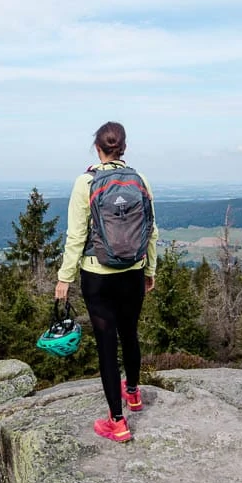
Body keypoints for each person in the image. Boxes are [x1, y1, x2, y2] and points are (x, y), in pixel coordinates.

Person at [56, 121, 158, 443]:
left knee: (106, 346)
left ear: (97, 148)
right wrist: (150, 270)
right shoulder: (140, 180)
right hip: (133, 273)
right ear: (123, 147)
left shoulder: (85, 182)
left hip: (97, 276)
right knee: (130, 334)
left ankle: (117, 422)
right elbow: (152, 230)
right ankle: (134, 394)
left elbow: (76, 236)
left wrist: (64, 278)